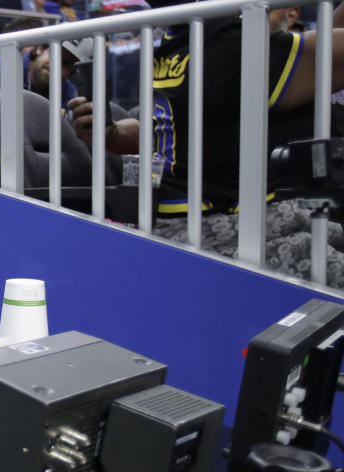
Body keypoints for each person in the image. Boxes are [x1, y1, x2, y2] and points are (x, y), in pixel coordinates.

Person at [69, 1, 344, 286]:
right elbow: (326, 57)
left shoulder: (185, 37)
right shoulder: (225, 40)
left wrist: (112, 132)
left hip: (243, 214)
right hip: (215, 228)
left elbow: (168, 131)